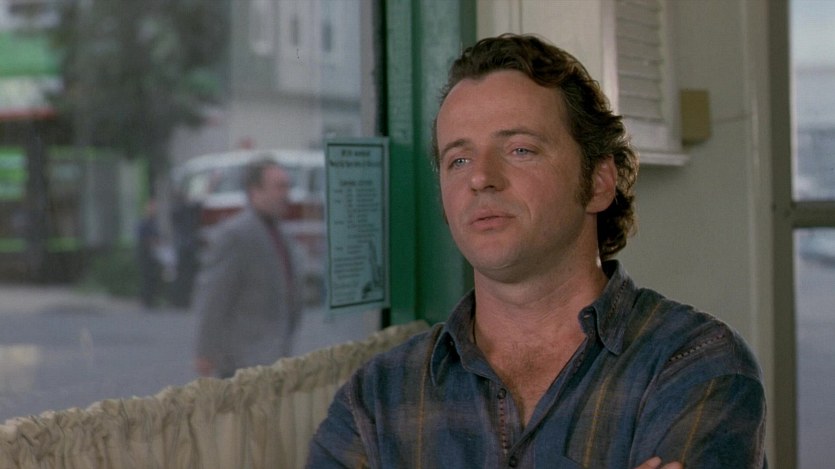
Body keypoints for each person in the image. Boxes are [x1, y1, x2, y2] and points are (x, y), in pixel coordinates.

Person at [307, 34, 766, 468]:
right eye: (458, 159)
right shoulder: (376, 398)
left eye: (520, 150)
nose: (480, 178)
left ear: (598, 182)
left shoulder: (696, 364)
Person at [193, 159, 303, 379]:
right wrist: (205, 351)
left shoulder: (281, 235)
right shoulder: (236, 234)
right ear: (255, 192)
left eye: (287, 186)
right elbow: (214, 296)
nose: (286, 194)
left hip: (276, 358)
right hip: (242, 364)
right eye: (279, 187)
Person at [136, 198, 163, 309]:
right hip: (145, 253)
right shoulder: (144, 222)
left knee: (153, 277)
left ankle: (151, 299)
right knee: (146, 276)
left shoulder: (154, 222)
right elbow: (142, 238)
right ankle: (145, 299)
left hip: (153, 253)